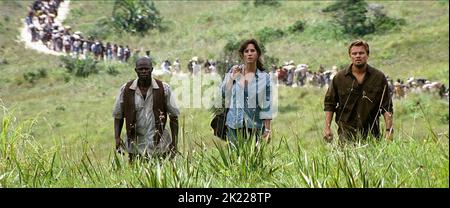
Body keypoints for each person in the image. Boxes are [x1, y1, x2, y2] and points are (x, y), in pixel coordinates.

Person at [323, 40, 393, 143]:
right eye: (354, 53)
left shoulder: (378, 77)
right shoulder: (340, 78)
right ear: (350, 56)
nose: (358, 56)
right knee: (347, 158)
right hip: (346, 133)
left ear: (367, 55)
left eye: (361, 53)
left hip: (372, 133)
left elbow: (386, 106)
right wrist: (327, 127)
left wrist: (389, 130)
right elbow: (330, 104)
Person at [113, 57, 180, 162]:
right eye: (141, 69)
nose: (144, 71)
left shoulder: (164, 89)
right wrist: (117, 137)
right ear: (136, 70)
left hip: (160, 145)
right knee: (136, 176)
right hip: (135, 145)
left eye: (146, 69)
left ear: (151, 69)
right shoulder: (126, 89)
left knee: (162, 176)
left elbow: (174, 117)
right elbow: (118, 116)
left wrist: (174, 143)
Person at [221, 39, 273, 147]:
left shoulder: (265, 78)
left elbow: (267, 105)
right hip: (233, 125)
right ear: (242, 55)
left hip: (254, 126)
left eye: (252, 51)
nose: (249, 53)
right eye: (246, 51)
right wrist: (232, 78)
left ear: (258, 54)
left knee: (253, 161)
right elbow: (223, 93)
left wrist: (267, 130)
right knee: (234, 161)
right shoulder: (234, 71)